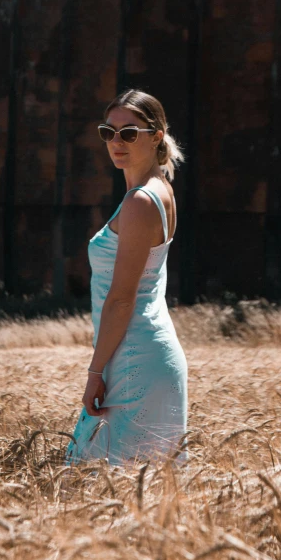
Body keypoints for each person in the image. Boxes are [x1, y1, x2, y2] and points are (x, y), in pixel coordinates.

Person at [65, 89, 188, 466]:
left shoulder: (139, 203)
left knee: (94, 485)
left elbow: (121, 300)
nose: (116, 142)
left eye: (129, 133)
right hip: (148, 352)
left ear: (156, 135)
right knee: (141, 495)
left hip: (134, 359)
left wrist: (94, 372)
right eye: (109, 133)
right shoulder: (160, 191)